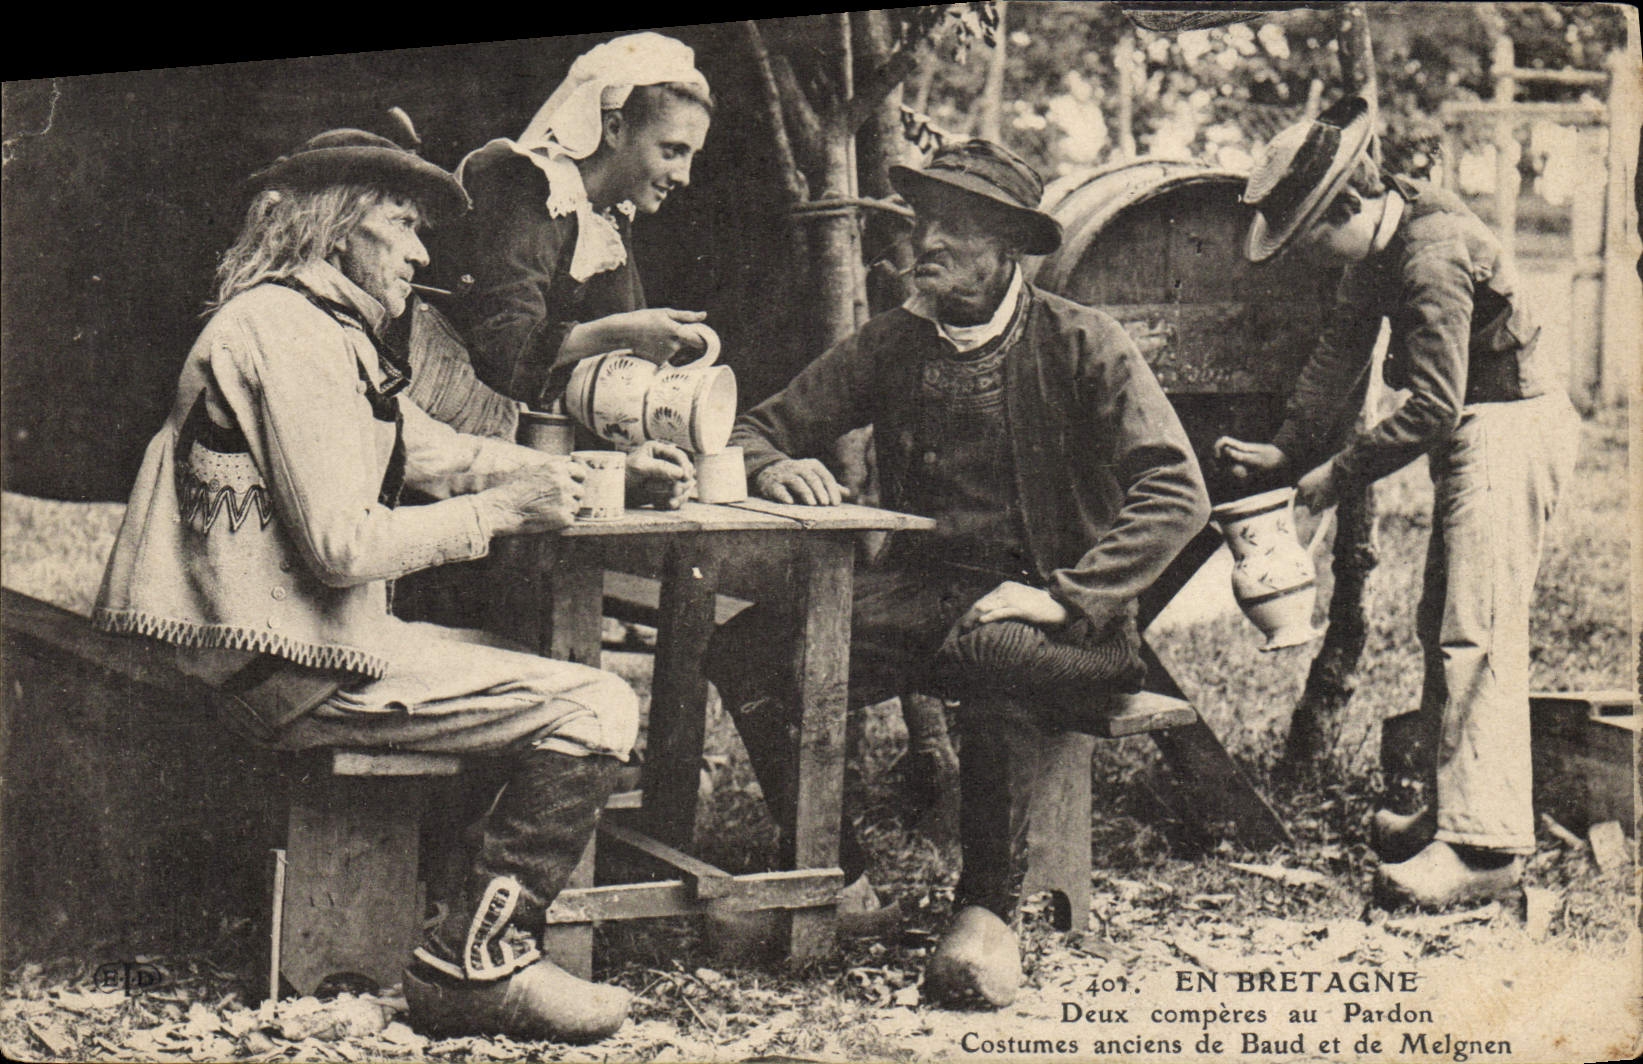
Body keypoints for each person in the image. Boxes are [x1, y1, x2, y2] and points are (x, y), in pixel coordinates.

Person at [91, 127, 688, 1043]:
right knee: (597, 705)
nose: (421, 254)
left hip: (281, 651)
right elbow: (341, 548)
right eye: (402, 226)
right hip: (283, 670)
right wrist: (502, 512)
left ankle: (451, 915)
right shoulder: (286, 336)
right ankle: (473, 965)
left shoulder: (315, 327)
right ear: (337, 230)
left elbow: (436, 451)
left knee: (521, 666)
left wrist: (594, 473)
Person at [701, 139, 1210, 1009]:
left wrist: (1064, 596)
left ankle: (986, 914)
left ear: (1007, 247)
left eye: (956, 229)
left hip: (1069, 622)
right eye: (924, 222)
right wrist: (772, 465)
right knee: (745, 652)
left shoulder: (1082, 341)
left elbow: (1175, 491)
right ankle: (842, 886)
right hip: (922, 597)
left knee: (992, 653)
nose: (926, 243)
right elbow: (754, 426)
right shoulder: (892, 343)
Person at [1214, 96, 1579, 910]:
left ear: (1345, 205)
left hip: (1509, 427)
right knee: (1441, 623)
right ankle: (1453, 814)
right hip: (1476, 426)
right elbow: (1340, 349)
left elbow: (1433, 406)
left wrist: (1334, 478)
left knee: (1477, 631)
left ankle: (1484, 848)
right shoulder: (1382, 238)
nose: (1308, 256)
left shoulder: (1430, 253)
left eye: (1309, 237)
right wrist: (1288, 449)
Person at [441, 31, 715, 411]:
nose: (683, 176)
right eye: (672, 151)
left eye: (691, 156)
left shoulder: (607, 216)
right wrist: (625, 333)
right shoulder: (532, 187)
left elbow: (622, 333)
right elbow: (505, 348)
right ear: (615, 128)